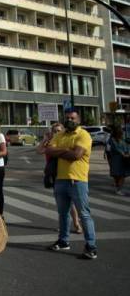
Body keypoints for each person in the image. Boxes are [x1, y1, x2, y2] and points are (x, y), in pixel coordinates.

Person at [43, 109, 97, 259]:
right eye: (67, 118)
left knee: (84, 214)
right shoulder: (60, 135)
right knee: (63, 214)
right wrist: (66, 150)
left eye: (72, 118)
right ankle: (63, 240)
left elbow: (76, 155)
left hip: (78, 180)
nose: (69, 120)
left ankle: (91, 246)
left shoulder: (83, 135)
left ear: (78, 120)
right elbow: (48, 150)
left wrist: (59, 151)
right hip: (60, 179)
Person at [39, 123, 82, 234]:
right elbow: (39, 151)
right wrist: (44, 140)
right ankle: (63, 225)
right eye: (54, 131)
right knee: (60, 203)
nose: (56, 133)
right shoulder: (50, 143)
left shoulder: (63, 142)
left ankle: (77, 224)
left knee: (70, 202)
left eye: (59, 130)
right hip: (54, 174)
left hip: (65, 173)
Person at [108, 125, 130, 195]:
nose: (122, 132)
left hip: (119, 159)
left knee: (119, 175)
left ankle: (118, 189)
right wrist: (124, 153)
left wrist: (127, 152)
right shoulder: (112, 140)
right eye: (121, 131)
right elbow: (116, 148)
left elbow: (127, 147)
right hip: (118, 159)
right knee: (119, 175)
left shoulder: (121, 139)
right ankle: (118, 189)